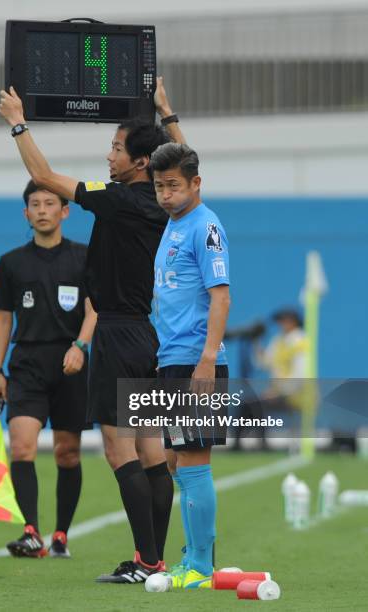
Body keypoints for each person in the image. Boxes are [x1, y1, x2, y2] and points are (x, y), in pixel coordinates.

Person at [0, 78, 185, 582]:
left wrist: (17, 122)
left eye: (116, 147)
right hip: (146, 333)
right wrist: (166, 115)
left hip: (119, 334)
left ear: (140, 163)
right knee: (150, 451)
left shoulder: (119, 200)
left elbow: (43, 175)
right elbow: (184, 163)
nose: (109, 155)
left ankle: (146, 562)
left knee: (119, 449)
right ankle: (154, 561)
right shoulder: (165, 202)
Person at [0, 180, 97, 558]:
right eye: (34, 204)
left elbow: (93, 308)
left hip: (71, 364)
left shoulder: (85, 257)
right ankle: (32, 532)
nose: (41, 209)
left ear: (64, 211)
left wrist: (81, 346)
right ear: (26, 213)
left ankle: (61, 535)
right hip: (26, 366)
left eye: (49, 203)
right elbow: (4, 319)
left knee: (67, 453)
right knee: (22, 447)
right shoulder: (11, 263)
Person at [150, 142, 231, 588]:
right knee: (175, 461)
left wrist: (205, 361)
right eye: (160, 186)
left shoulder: (205, 226)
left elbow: (221, 296)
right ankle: (194, 555)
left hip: (194, 362)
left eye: (174, 186)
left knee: (192, 460)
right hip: (171, 361)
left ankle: (200, 564)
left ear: (196, 184)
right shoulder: (173, 224)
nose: (165, 194)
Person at [232, 308, 309, 449]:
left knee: (257, 404)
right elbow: (263, 362)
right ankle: (237, 444)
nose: (281, 324)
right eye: (280, 321)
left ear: (294, 322)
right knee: (246, 404)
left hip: (296, 394)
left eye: (285, 320)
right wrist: (256, 341)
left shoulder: (300, 342)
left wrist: (279, 392)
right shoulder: (279, 340)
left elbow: (300, 376)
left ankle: (262, 443)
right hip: (279, 393)